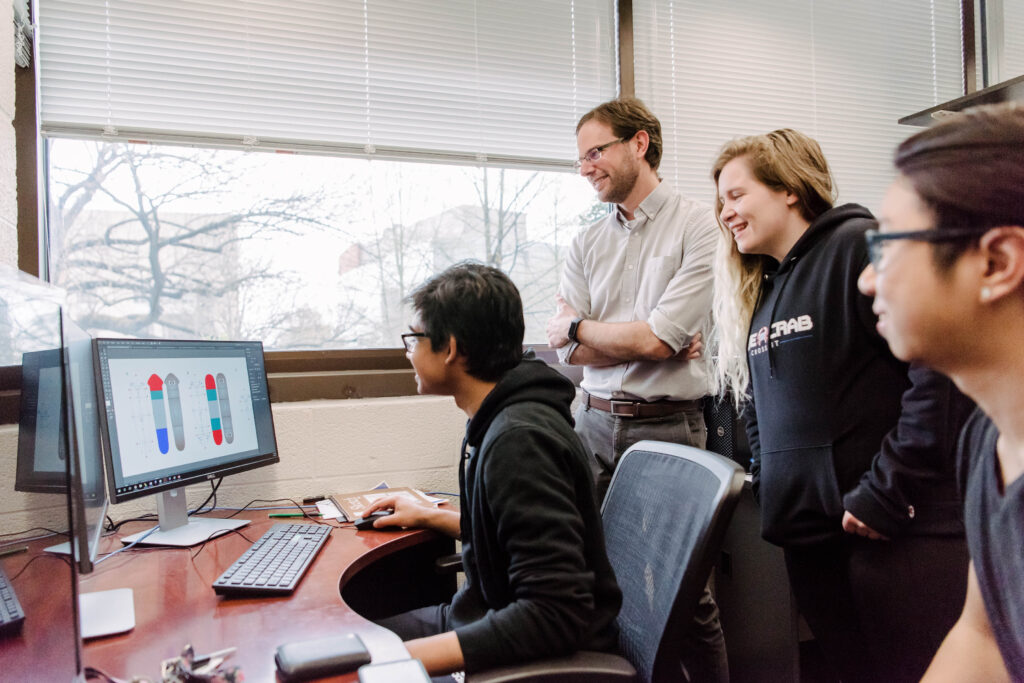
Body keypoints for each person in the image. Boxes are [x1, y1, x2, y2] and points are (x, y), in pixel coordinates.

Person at [711, 128, 974, 683]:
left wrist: (886, 489)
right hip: (808, 535)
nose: (724, 212)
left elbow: (938, 375)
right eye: (720, 200)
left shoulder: (858, 246)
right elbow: (758, 400)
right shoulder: (768, 285)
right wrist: (768, 474)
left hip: (883, 530)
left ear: (787, 190)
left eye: (736, 195)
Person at [364, 261, 622, 679]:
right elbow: (511, 535)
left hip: (535, 652)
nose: (408, 352)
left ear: (449, 349)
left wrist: (406, 658)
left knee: (346, 662)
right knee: (344, 637)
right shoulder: (502, 417)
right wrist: (431, 516)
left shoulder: (518, 442)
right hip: (482, 613)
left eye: (413, 339)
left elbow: (554, 613)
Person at [545, 97, 727, 682]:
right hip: (592, 423)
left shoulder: (700, 223)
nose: (586, 167)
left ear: (639, 144)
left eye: (595, 152)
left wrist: (584, 330)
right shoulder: (584, 244)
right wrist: (640, 338)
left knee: (690, 596)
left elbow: (653, 339)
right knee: (593, 583)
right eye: (580, 159)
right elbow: (572, 352)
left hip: (671, 426)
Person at [857, 103, 1024, 682]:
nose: (866, 278)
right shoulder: (990, 438)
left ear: (996, 262)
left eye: (885, 247)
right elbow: (981, 638)